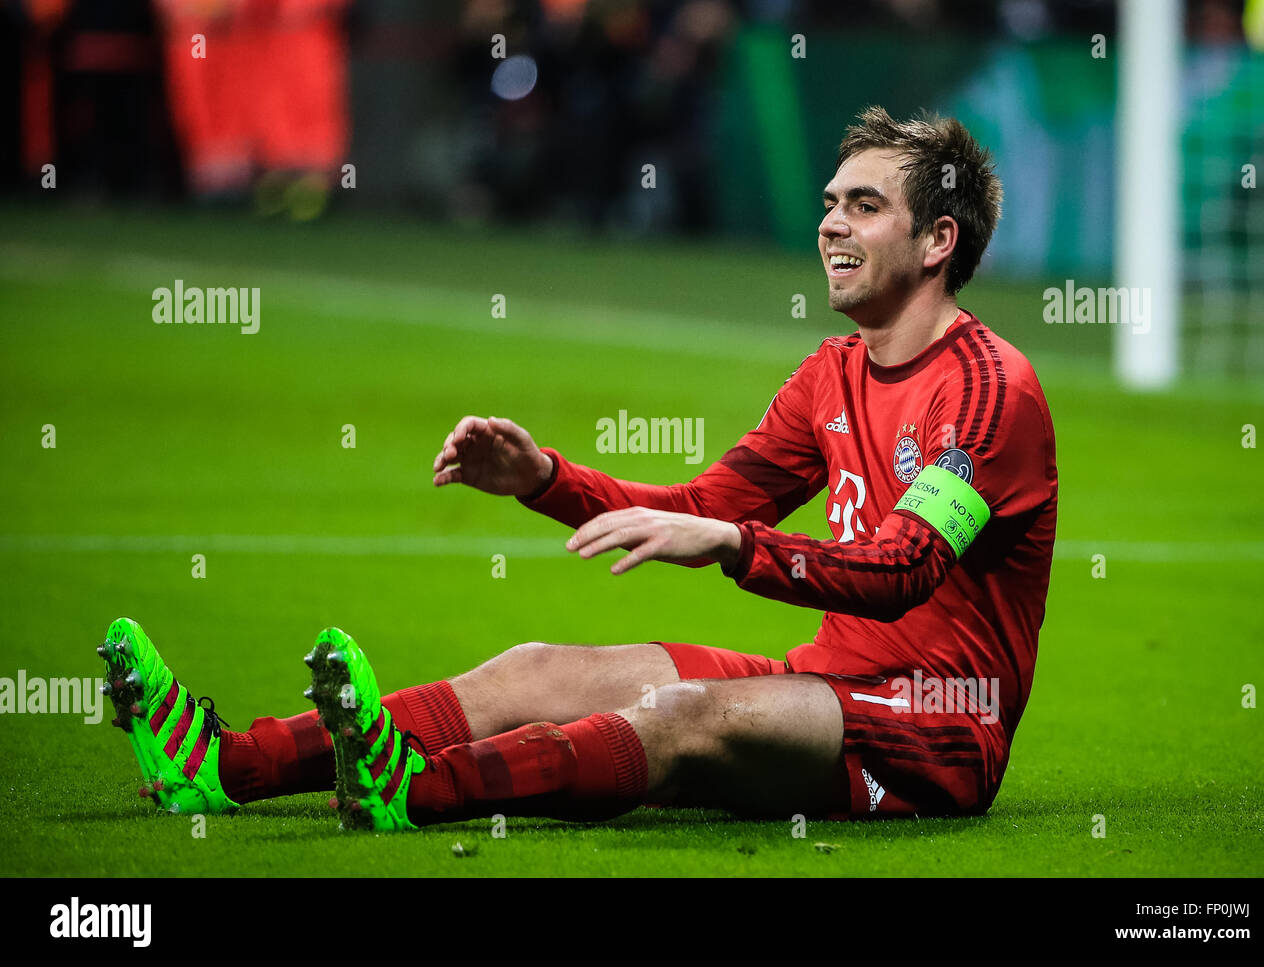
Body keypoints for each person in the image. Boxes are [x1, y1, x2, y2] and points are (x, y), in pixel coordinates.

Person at [101, 106, 1057, 829]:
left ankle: (418, 790)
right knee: (536, 670)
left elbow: (902, 572)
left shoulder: (986, 393)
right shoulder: (834, 372)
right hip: (827, 684)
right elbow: (695, 504)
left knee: (680, 713)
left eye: (865, 206)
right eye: (830, 203)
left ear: (939, 241)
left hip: (936, 727)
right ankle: (228, 764)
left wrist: (731, 544)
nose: (832, 225)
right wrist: (543, 479)